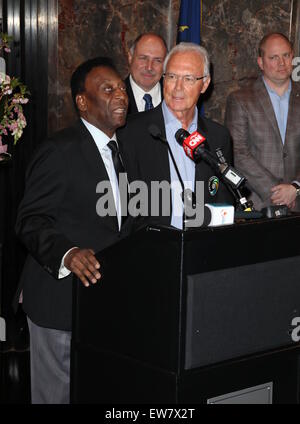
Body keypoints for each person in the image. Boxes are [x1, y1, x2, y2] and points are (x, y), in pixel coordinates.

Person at [15, 57, 131, 403]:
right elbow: (30, 220)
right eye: (108, 89)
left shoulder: (122, 152)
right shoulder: (59, 150)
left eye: (121, 88)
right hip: (58, 302)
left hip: (102, 307)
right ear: (82, 101)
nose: (120, 96)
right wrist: (68, 252)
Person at [118, 42, 234, 229]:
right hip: (150, 246)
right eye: (172, 76)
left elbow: (223, 200)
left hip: (200, 245)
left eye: (188, 79)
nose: (177, 87)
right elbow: (122, 204)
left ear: (204, 84)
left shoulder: (218, 136)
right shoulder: (132, 131)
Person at [225, 32, 300, 211]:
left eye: (286, 55)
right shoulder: (240, 99)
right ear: (261, 62)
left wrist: (295, 187)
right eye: (273, 57)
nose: (281, 63)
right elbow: (238, 152)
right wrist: (276, 193)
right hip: (257, 205)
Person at [125, 33, 168, 114]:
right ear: (130, 58)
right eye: (143, 58)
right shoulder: (113, 98)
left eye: (157, 60)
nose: (149, 67)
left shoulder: (176, 97)